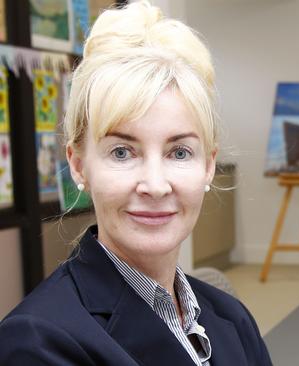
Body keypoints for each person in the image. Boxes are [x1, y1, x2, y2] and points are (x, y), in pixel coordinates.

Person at [0, 1, 272, 365]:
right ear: (78, 165)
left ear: (208, 166)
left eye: (179, 153)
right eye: (122, 152)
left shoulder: (231, 318)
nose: (156, 186)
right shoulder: (36, 343)